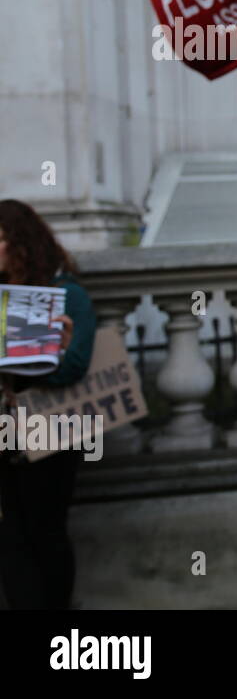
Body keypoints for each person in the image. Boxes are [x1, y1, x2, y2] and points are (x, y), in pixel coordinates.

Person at [0, 200, 96, 609]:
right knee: (9, 537)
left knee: (45, 530)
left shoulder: (64, 294)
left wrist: (21, 357)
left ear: (22, 244)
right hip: (4, 433)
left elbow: (74, 366)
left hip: (49, 429)